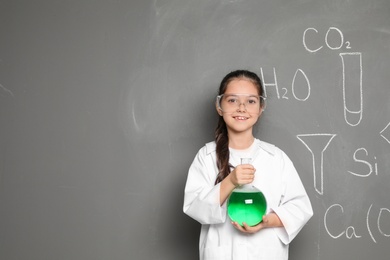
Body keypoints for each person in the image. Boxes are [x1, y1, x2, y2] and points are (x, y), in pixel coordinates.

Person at [183, 70, 313, 260]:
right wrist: (230, 181)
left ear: (261, 108)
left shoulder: (276, 158)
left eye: (251, 101)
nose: (241, 108)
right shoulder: (206, 156)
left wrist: (265, 222)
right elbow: (194, 207)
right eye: (232, 100)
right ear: (219, 106)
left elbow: (300, 208)